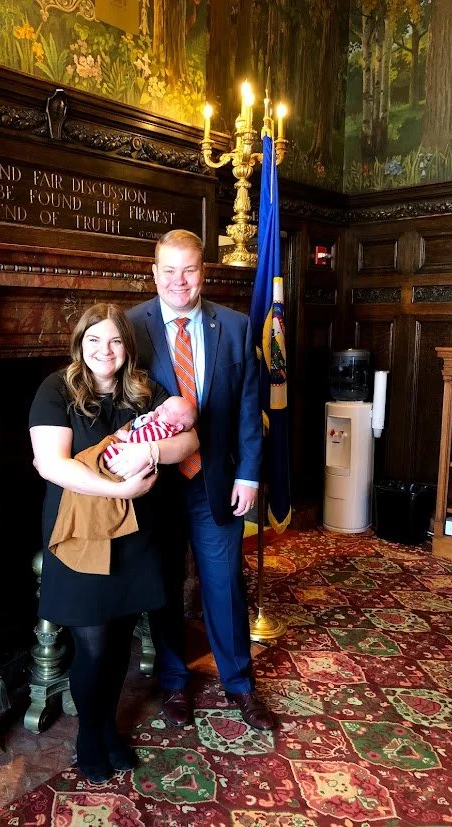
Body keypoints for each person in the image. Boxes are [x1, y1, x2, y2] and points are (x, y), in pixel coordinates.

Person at [104, 229, 276, 732]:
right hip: (153, 483)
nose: (180, 281)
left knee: (223, 584)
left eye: (190, 270)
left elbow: (249, 408)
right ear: (154, 272)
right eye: (169, 270)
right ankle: (174, 682)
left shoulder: (237, 326)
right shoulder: (128, 328)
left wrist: (249, 474)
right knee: (163, 585)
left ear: (205, 271)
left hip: (216, 483)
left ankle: (240, 685)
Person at [29, 302, 199, 784]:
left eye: (115, 340)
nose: (105, 350)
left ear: (128, 346)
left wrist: (151, 450)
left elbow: (189, 441)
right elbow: (51, 465)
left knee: (121, 640)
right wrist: (119, 489)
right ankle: (91, 734)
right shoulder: (56, 389)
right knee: (94, 645)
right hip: (79, 532)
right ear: (80, 344)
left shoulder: (145, 389)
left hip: (135, 535)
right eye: (94, 340)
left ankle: (108, 731)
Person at [103, 395, 197, 463]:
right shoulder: (159, 425)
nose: (159, 408)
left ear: (178, 427)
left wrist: (128, 436)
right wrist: (146, 420)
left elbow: (143, 437)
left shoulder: (163, 429)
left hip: (117, 457)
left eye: (167, 410)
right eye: (162, 405)